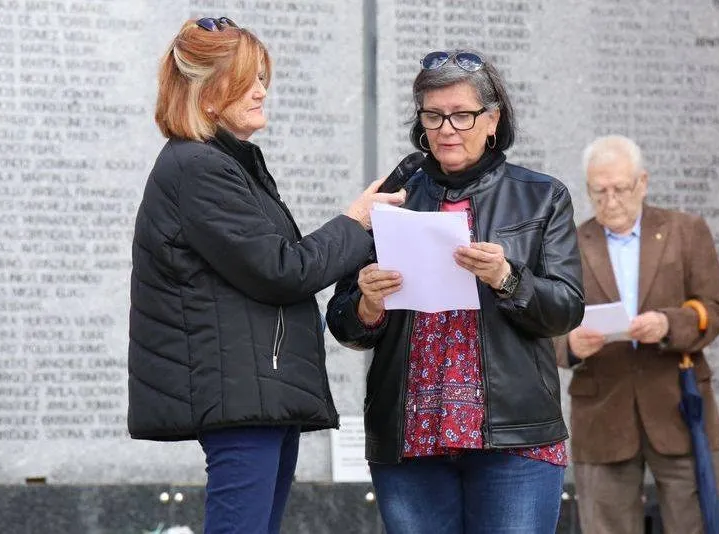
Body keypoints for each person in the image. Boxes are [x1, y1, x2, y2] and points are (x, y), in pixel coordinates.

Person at [127, 17, 404, 534]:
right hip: (240, 396)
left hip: (258, 391)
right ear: (208, 95)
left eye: (261, 78)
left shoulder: (224, 163)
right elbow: (284, 269)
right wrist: (358, 220)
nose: (261, 90)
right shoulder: (197, 168)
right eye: (247, 79)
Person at [326, 49, 584, 533]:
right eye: (434, 115)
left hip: (514, 435)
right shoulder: (392, 197)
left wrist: (508, 278)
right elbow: (343, 323)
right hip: (411, 434)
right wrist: (367, 303)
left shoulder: (543, 196)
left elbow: (567, 309)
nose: (447, 129)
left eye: (462, 115)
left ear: (493, 120)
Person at [557, 135, 719, 534]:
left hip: (679, 407)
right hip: (602, 414)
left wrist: (670, 324)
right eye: (599, 191)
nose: (610, 200)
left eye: (620, 188)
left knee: (696, 526)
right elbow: (543, 326)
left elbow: (716, 309)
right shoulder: (568, 244)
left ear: (643, 183)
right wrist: (570, 344)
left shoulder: (686, 231)